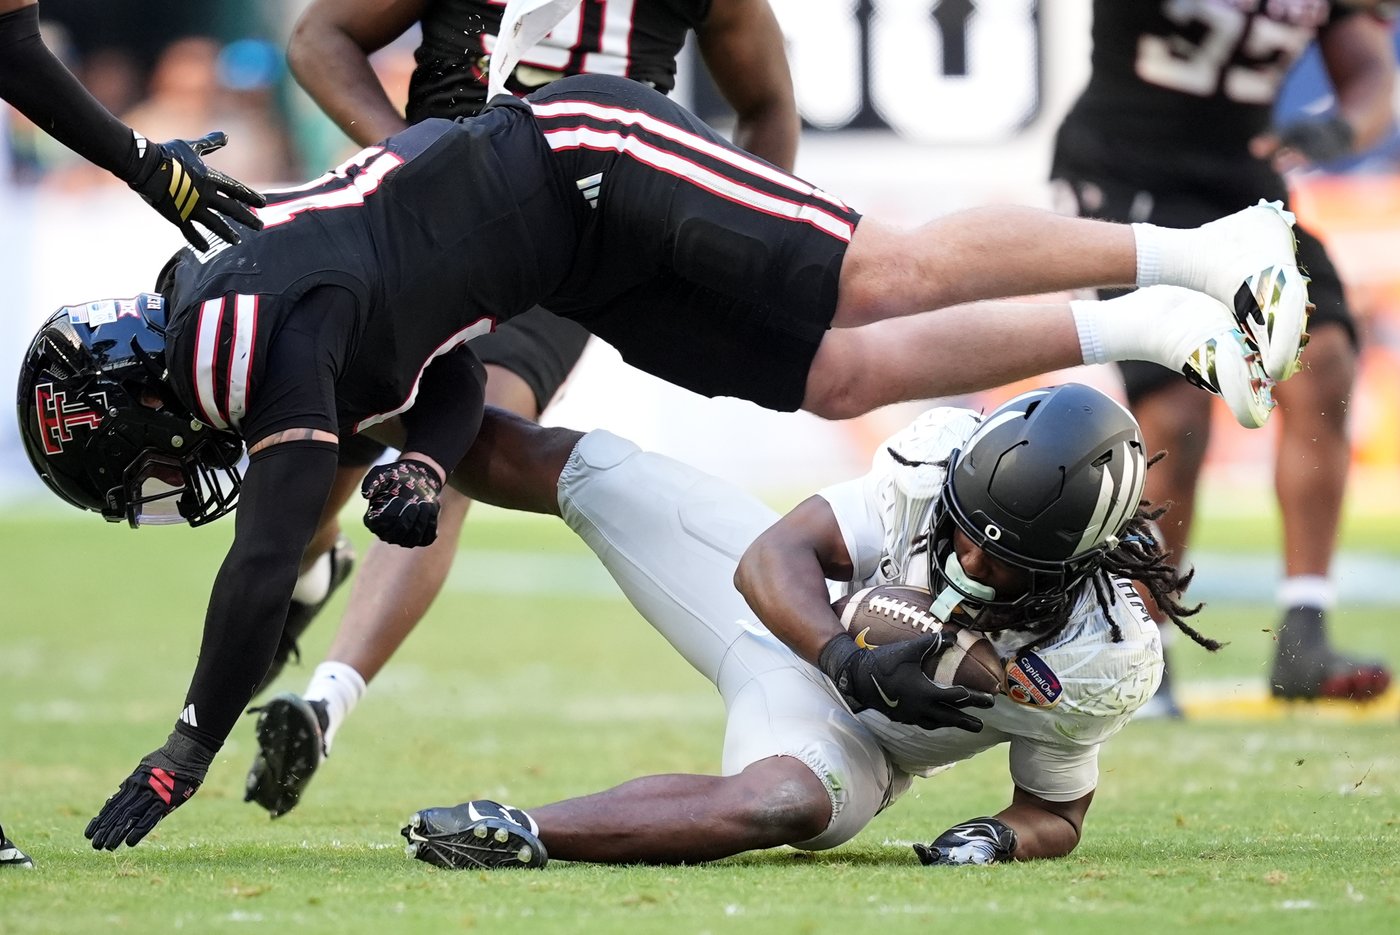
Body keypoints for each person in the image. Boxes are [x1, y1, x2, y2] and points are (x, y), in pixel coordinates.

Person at [17, 73, 1303, 851]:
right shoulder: (247, 329)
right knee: (835, 375)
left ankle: (1201, 246)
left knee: (880, 273)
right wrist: (421, 451)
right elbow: (452, 368)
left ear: (139, 403)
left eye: (126, 462)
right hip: (562, 253)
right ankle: (1157, 332)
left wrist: (187, 741)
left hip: (594, 164)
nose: (157, 481)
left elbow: (259, 559)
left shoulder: (251, 338)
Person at [243, 0, 800, 764]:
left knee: (464, 441)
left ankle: (326, 699)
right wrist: (413, 160)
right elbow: (318, 37)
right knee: (321, 463)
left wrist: (743, 240)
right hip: (424, 226)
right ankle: (313, 566)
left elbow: (767, 104)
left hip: (573, 253)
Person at [397, 383, 1222, 869]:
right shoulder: (933, 464)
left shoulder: (1099, 653)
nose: (968, 559)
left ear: (1072, 568)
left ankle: (517, 829)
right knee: (593, 468)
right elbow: (772, 556)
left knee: (784, 803)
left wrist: (996, 838)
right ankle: (378, 413)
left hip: (858, 742)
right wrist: (840, 650)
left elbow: (1055, 807)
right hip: (793, 618)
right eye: (963, 527)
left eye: (1007, 563)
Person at [1051, 0, 1396, 716]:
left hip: (1240, 184)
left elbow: (1368, 74)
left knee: (1323, 358)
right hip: (1125, 171)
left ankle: (1305, 633)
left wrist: (1338, 127)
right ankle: (1145, 646)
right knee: (1175, 405)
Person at [0, 0, 266, 249]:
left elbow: (11, 39)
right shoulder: (149, 119)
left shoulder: (237, 126)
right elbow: (11, 44)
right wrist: (146, 164)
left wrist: (147, 165)